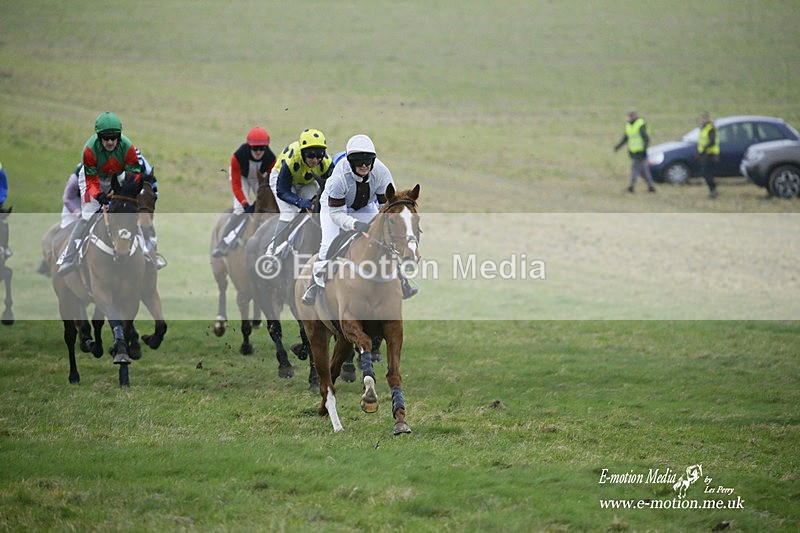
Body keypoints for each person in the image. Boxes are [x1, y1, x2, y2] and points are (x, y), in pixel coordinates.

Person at [301, 134, 418, 305]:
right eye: (358, 161)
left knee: (385, 237)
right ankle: (314, 285)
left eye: (368, 160)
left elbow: (388, 205)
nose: (364, 165)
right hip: (334, 208)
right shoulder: (338, 179)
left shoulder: (382, 172)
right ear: (350, 161)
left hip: (364, 205)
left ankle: (402, 280)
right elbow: (336, 214)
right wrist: (355, 224)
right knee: (328, 244)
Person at [57, 112, 143, 275]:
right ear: (99, 136)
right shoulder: (90, 149)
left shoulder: (128, 147)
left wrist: (128, 191)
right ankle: (68, 257)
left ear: (119, 136)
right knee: (88, 215)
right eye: (106, 138)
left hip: (117, 176)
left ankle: (146, 254)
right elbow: (91, 179)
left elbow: (134, 172)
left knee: (128, 212)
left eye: (114, 137)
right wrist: (98, 195)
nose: (110, 142)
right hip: (93, 178)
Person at [262, 129, 334, 263]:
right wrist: (299, 201)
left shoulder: (326, 163)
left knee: (313, 210)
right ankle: (272, 251)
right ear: (302, 152)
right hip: (282, 181)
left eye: (319, 155)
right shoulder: (291, 161)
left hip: (306, 181)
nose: (315, 160)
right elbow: (282, 191)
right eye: (310, 155)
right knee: (289, 214)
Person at [211, 127, 276, 257]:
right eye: (255, 148)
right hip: (242, 177)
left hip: (260, 178)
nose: (258, 152)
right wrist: (245, 203)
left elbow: (271, 183)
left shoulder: (271, 159)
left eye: (262, 148)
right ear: (249, 146)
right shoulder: (237, 157)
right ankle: (223, 243)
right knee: (240, 210)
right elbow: (236, 185)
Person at [614, 109, 656, 193]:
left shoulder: (640, 124)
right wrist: (618, 146)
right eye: (630, 115)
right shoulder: (629, 125)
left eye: (632, 115)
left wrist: (644, 149)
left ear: (635, 115)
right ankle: (651, 187)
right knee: (644, 171)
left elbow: (646, 138)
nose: (631, 117)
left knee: (634, 169)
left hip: (640, 152)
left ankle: (631, 187)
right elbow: (626, 138)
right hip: (634, 152)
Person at [697, 111, 719, 198]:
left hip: (711, 154)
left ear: (707, 119)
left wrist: (704, 148)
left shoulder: (710, 128)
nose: (702, 120)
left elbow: (712, 141)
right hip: (704, 154)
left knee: (707, 173)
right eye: (701, 118)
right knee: (705, 173)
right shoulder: (703, 128)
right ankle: (712, 189)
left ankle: (713, 189)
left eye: (703, 118)